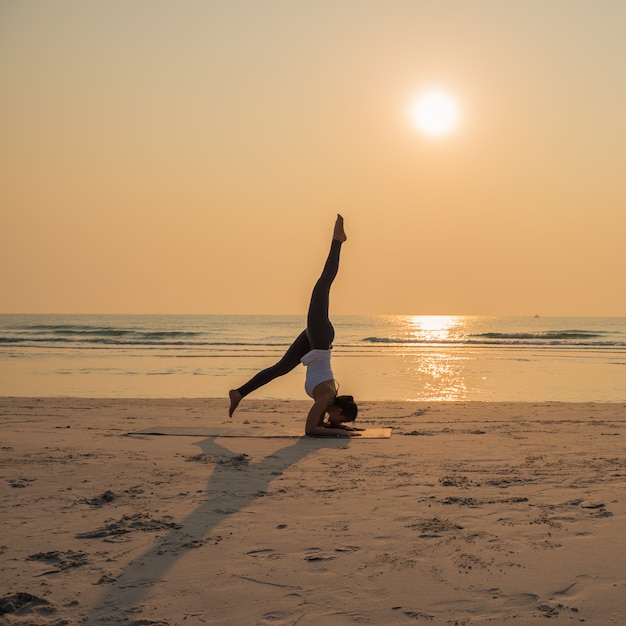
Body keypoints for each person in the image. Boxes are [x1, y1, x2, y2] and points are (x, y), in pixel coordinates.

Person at [228, 214, 359, 437]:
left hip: (315, 342)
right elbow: (311, 430)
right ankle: (337, 241)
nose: (333, 421)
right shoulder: (325, 398)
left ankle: (239, 393)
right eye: (339, 419)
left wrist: (338, 428)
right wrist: (342, 433)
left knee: (281, 368)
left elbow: (318, 426)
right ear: (337, 410)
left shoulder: (326, 402)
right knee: (322, 286)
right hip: (320, 339)